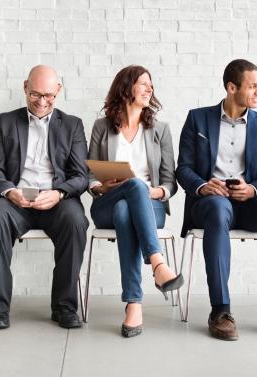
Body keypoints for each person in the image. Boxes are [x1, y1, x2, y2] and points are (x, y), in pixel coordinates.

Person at [176, 59, 257, 340]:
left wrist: (253, 189)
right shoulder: (198, 119)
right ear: (232, 88)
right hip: (210, 203)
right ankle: (220, 311)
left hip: (249, 203)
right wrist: (204, 185)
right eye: (253, 86)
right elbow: (183, 168)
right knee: (219, 208)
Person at [0, 65, 89, 330]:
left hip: (56, 200)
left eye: (49, 96)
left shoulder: (72, 125)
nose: (42, 102)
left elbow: (81, 175)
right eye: (35, 95)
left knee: (76, 221)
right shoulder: (4, 122)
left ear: (59, 91)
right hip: (15, 199)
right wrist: (10, 192)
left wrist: (59, 193)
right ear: (25, 87)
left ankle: (64, 306)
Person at [88, 65, 182, 338]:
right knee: (125, 196)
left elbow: (169, 182)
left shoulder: (160, 130)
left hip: (150, 206)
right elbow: (89, 175)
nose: (149, 88)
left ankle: (134, 302)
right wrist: (100, 185)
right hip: (107, 200)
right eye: (142, 83)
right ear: (125, 87)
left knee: (126, 208)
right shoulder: (102, 127)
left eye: (151, 84)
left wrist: (154, 192)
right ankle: (158, 264)